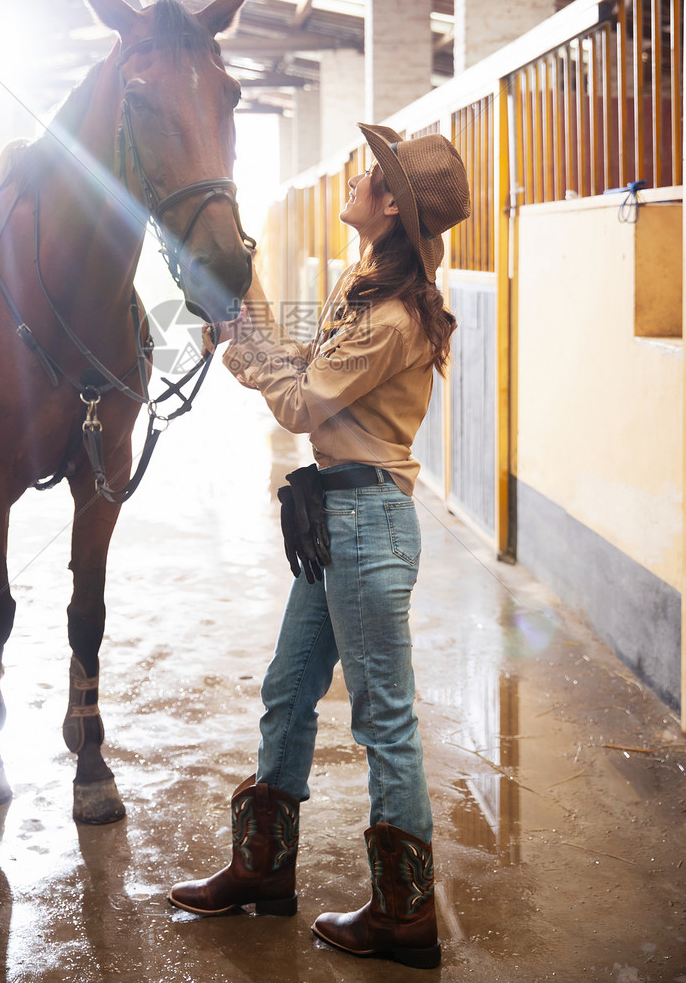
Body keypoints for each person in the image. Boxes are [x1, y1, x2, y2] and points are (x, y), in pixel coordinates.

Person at [168, 124, 471, 971]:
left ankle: (404, 918)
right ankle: (263, 870)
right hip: (339, 519)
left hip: (368, 523)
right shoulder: (363, 289)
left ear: (388, 209)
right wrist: (244, 324)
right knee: (288, 687)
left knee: (385, 720)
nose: (356, 177)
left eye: (369, 176)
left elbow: (302, 404)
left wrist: (245, 350)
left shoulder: (395, 316)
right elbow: (302, 363)